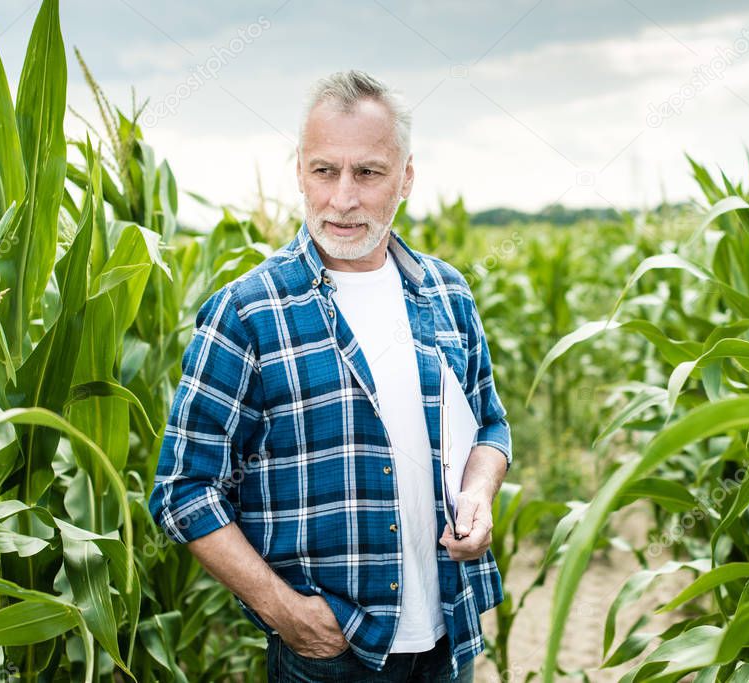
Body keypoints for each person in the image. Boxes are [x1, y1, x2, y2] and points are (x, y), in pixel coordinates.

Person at [149, 69, 512, 682]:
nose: (344, 198)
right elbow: (183, 489)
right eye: (325, 171)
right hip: (332, 653)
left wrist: (478, 493)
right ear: (299, 172)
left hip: (450, 634)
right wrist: (283, 609)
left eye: (368, 172)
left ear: (407, 176)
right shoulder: (248, 313)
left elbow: (491, 428)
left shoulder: (447, 293)